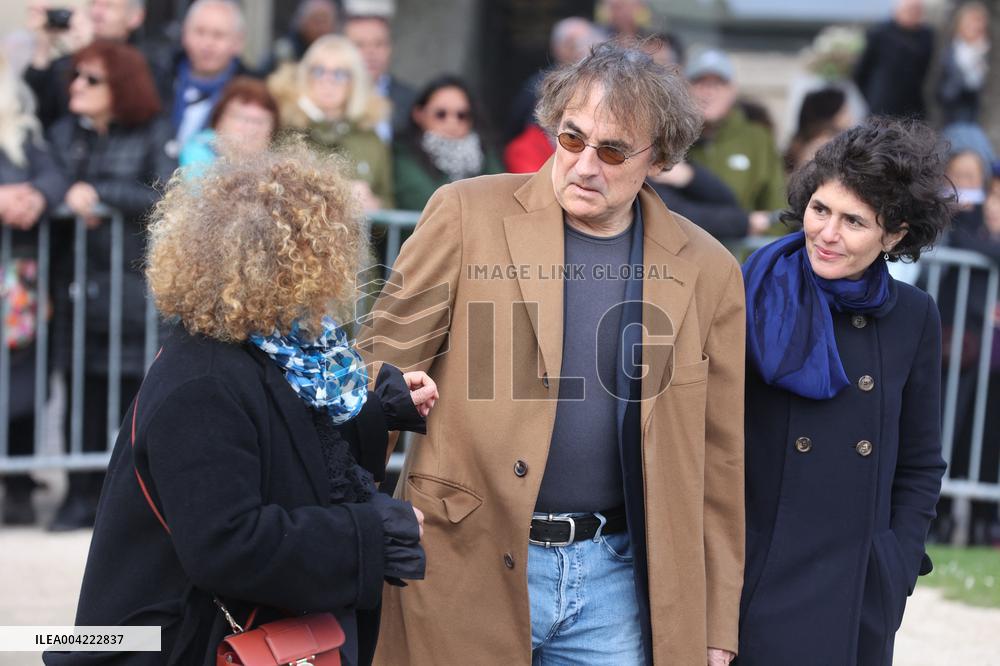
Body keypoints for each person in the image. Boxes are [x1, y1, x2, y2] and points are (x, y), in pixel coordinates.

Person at [358, 42, 745, 665]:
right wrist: (344, 526)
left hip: (618, 582)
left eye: (613, 150)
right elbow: (375, 377)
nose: (585, 165)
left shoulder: (710, 270)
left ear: (660, 159)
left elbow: (721, 461)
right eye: (571, 139)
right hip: (462, 557)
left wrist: (715, 626)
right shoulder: (464, 213)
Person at [42, 143, 437, 666]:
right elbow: (228, 544)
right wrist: (374, 531)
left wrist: (380, 408)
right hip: (169, 643)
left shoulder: (281, 349)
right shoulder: (202, 381)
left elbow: (296, 444)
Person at [738, 118, 952, 664]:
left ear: (895, 234)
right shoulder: (750, 290)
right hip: (755, 576)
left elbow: (921, 461)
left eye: (854, 221)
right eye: (820, 209)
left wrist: (894, 564)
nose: (827, 234)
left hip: (855, 589)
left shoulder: (914, 317)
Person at [45, 40, 175, 531]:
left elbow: (162, 191)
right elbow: (48, 179)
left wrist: (99, 194)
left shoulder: (152, 131)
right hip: (80, 286)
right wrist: (69, 193)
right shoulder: (66, 133)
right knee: (82, 390)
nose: (76, 86)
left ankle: (126, 508)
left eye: (91, 79)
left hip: (133, 287)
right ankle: (78, 496)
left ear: (119, 85)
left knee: (131, 397)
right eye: (75, 76)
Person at [0, 51, 68, 525]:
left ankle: (19, 486)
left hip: (16, 282)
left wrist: (37, 195)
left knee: (22, 385)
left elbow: (54, 175)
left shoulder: (22, 136)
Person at [269, 35, 393, 212]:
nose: (328, 80)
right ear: (306, 75)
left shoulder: (371, 139)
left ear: (354, 82)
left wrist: (373, 206)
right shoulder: (284, 127)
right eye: (318, 71)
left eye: (340, 74)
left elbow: (389, 203)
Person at [23, 0, 172, 129]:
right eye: (93, 3)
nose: (96, 13)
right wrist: (42, 47)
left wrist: (89, 50)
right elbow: (34, 109)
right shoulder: (69, 60)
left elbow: (130, 112)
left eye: (108, 6)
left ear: (135, 17)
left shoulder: (150, 61)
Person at [685, 49, 785, 232]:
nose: (708, 92)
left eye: (718, 84)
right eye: (700, 82)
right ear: (685, 89)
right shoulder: (672, 138)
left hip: (743, 256)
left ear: (733, 90)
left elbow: (777, 207)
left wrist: (764, 256)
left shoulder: (757, 139)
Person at [393, 75, 502, 212]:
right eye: (441, 114)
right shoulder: (404, 152)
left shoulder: (484, 153)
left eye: (461, 115)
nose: (452, 122)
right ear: (418, 114)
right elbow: (422, 201)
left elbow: (500, 199)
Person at [171, 0, 253, 153]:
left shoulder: (251, 95)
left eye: (218, 35)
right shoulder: (158, 79)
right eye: (200, 32)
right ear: (184, 35)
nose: (207, 43)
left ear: (238, 42)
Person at [179, 76, 279, 173]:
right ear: (219, 120)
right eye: (241, 118)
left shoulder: (278, 165)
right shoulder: (199, 151)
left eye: (259, 122)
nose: (251, 128)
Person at [344, 10, 417, 143]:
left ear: (390, 48)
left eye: (379, 44)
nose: (370, 52)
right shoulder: (330, 97)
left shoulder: (411, 100)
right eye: (359, 44)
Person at [853, 0, 934, 119]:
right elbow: (861, 71)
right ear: (897, 10)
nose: (913, 13)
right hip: (882, 104)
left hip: (913, 105)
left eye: (917, 10)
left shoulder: (927, 35)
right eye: (909, 9)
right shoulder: (879, 32)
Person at [936, 1, 991, 125]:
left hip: (979, 118)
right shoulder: (949, 50)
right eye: (971, 21)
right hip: (951, 115)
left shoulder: (989, 52)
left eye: (979, 21)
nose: (975, 26)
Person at [264, 0, 340, 73]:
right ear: (302, 21)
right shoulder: (287, 49)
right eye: (316, 20)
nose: (320, 27)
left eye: (324, 20)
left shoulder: (340, 51)